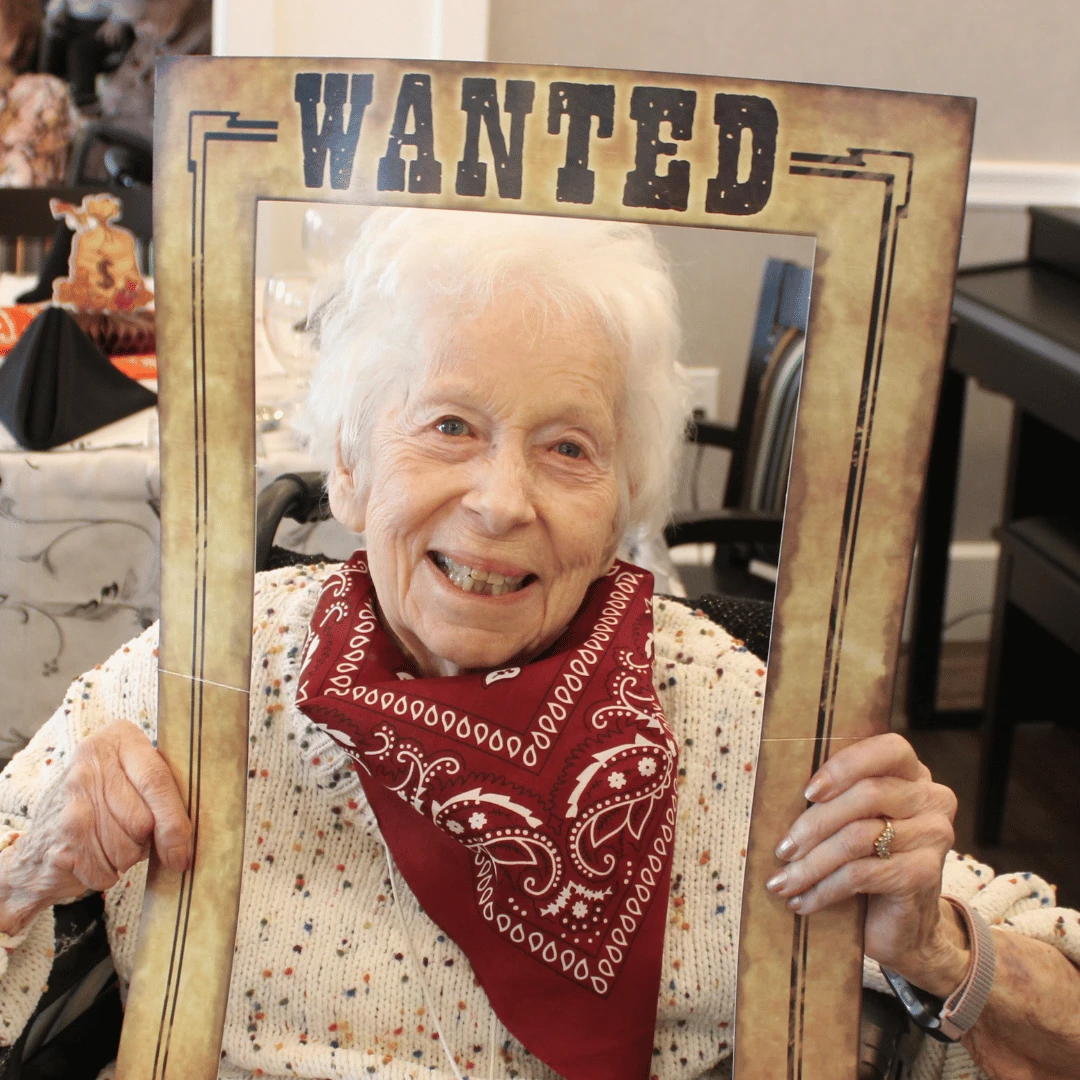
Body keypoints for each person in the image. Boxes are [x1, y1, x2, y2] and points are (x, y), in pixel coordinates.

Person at [0, 210, 1077, 1080]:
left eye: (567, 447)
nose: (501, 501)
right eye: (450, 426)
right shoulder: (195, 681)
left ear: (621, 504)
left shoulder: (735, 718)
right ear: (351, 466)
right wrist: (27, 874)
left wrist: (937, 944)